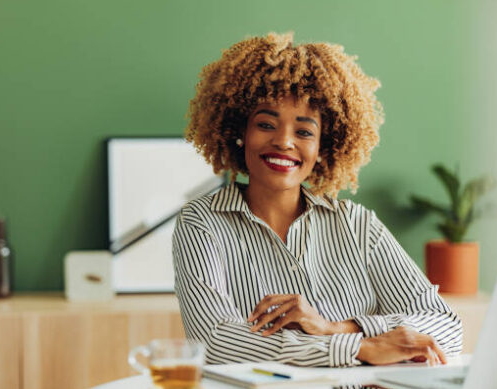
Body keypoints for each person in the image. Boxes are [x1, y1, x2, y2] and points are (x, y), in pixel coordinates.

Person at [172, 31, 462, 367]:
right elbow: (216, 341)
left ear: (324, 145)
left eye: (304, 131)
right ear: (239, 132)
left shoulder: (357, 225)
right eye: (266, 124)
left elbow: (447, 327)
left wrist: (334, 328)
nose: (284, 142)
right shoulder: (202, 222)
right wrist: (358, 348)